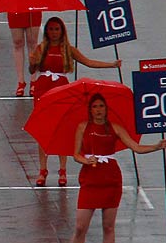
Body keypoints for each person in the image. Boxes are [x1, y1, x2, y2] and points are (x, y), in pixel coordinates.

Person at [66, 93, 166, 243]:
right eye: (95, 106)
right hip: (90, 180)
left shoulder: (115, 128)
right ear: (90, 109)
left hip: (111, 180)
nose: (98, 110)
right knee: (80, 227)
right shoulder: (82, 127)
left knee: (108, 227)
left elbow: (136, 147)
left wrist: (156, 146)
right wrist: (85, 160)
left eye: (101, 106)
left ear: (106, 108)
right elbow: (75, 154)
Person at [29, 17, 122, 187]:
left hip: (61, 90)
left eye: (57, 29)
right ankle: (43, 170)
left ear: (62, 31)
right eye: (50, 29)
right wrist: (32, 62)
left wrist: (112, 65)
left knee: (61, 129)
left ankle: (62, 170)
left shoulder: (68, 50)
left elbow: (88, 62)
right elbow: (32, 69)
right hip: (43, 90)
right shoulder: (40, 48)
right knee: (43, 132)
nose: (53, 32)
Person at [2, 0, 77, 96]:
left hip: (32, 6)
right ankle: (20, 81)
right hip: (16, 6)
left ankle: (33, 80)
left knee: (32, 43)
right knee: (17, 42)